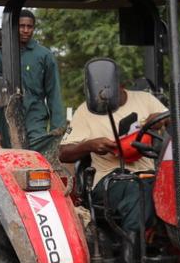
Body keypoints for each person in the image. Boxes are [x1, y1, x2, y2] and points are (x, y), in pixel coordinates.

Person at [59, 72, 167, 237]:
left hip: (149, 175)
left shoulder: (145, 100)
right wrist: (90, 145)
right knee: (136, 189)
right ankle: (131, 256)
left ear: (120, 85)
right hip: (108, 179)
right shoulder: (85, 111)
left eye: (106, 93)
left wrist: (161, 118)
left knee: (177, 186)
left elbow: (173, 121)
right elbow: (64, 153)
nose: (102, 99)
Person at [0, 9, 65, 154]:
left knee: (37, 155)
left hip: (35, 116)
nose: (26, 30)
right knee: (13, 159)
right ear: (14, 27)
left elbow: (54, 93)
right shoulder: (2, 57)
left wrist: (58, 128)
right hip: (8, 120)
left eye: (30, 27)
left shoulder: (44, 55)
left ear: (34, 28)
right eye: (22, 26)